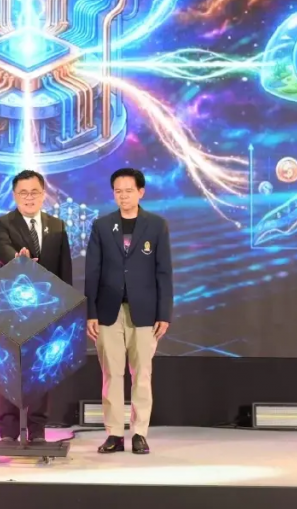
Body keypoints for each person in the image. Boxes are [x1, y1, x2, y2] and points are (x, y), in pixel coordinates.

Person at [85, 168, 171, 454]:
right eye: (118, 191)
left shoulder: (156, 225)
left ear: (141, 192)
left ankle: (139, 433)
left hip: (145, 312)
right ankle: (113, 433)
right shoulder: (102, 225)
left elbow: (164, 272)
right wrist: (91, 311)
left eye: (129, 190)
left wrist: (164, 313)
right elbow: (92, 272)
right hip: (108, 311)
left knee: (142, 374)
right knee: (111, 374)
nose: (123, 196)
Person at [0, 169, 73, 442]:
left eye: (34, 192)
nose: (29, 197)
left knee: (42, 371)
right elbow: (1, 249)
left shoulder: (57, 226)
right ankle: (8, 432)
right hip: (11, 310)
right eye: (23, 193)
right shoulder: (2, 223)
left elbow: (64, 270)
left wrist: (66, 307)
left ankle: (37, 431)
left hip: (47, 311)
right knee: (9, 370)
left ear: (43, 194)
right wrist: (18, 259)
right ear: (14, 195)